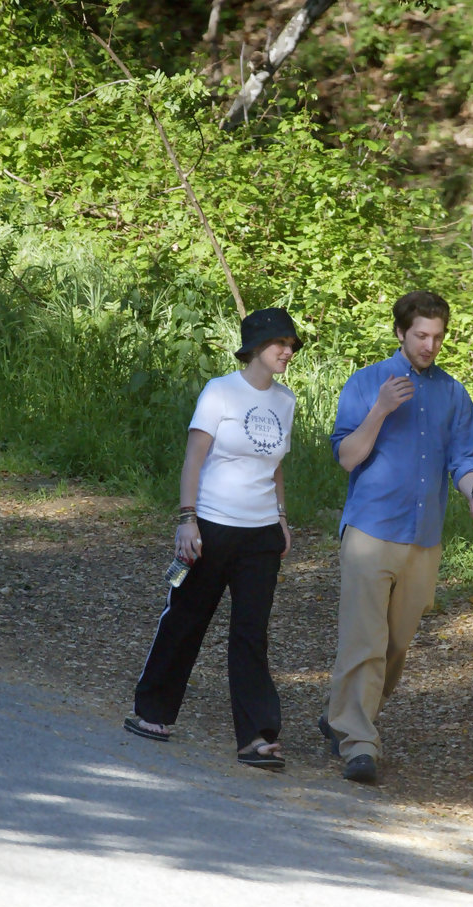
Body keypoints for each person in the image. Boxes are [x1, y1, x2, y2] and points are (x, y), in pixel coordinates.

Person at [320, 290, 473, 784]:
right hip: (371, 530)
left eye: (437, 337)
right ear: (400, 332)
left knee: (396, 645)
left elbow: (465, 459)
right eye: (420, 335)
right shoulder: (367, 382)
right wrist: (379, 410)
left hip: (424, 536)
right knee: (364, 640)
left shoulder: (453, 394)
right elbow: (347, 457)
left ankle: (344, 714)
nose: (429, 345)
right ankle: (358, 741)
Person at [124, 307, 302, 771]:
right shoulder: (220, 391)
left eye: (292, 345)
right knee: (185, 618)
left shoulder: (286, 401)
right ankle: (153, 713)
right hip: (212, 527)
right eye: (280, 344)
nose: (288, 351)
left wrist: (282, 518)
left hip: (261, 534)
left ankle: (257, 737)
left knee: (251, 634)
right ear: (255, 348)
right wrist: (188, 519)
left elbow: (276, 465)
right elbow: (193, 459)